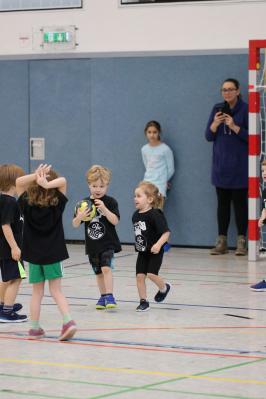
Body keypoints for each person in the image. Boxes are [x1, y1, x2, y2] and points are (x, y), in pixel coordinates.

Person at [16, 164, 77, 340]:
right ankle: (68, 321)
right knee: (56, 290)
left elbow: (19, 182)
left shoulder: (26, 202)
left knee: (37, 292)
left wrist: (36, 177)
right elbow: (64, 181)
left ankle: (34, 328)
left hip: (34, 255)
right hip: (53, 253)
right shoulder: (57, 201)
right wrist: (47, 182)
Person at [205, 78, 248, 256]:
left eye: (230, 89)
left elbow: (252, 138)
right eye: (224, 90)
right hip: (221, 168)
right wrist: (215, 124)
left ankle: (241, 242)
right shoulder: (217, 109)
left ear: (238, 91)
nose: (227, 93)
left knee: (240, 206)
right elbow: (208, 136)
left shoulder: (246, 109)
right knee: (222, 206)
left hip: (240, 168)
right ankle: (221, 242)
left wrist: (234, 126)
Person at [72, 165, 121, 310]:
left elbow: (115, 221)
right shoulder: (83, 204)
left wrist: (105, 210)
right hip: (92, 245)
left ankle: (110, 295)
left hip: (108, 243)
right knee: (98, 272)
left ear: (107, 186)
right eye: (94, 186)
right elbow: (75, 224)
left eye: (102, 186)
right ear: (89, 185)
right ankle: (103, 296)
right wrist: (79, 217)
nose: (98, 189)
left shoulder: (111, 202)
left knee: (106, 268)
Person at [132, 181, 171, 312]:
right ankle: (143, 301)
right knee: (139, 277)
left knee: (151, 274)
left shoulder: (155, 214)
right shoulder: (135, 215)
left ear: (149, 199)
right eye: (134, 196)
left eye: (138, 196)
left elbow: (166, 233)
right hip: (142, 252)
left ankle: (164, 288)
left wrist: (158, 245)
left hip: (155, 252)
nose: (135, 199)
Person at [0, 164, 28, 323]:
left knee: (6, 279)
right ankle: (7, 312)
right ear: (13, 183)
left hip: (3, 248)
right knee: (15, 278)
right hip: (10, 248)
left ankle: (2, 305)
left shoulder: (2, 200)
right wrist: (15, 247)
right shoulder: (10, 202)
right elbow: (5, 225)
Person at [141, 120, 175, 204]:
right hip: (147, 182)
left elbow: (171, 169)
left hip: (160, 184)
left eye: (154, 132)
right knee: (146, 211)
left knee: (157, 211)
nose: (152, 135)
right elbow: (147, 165)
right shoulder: (144, 149)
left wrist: (164, 180)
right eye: (149, 132)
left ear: (159, 133)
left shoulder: (165, 149)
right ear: (146, 133)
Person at [250, 160, 266, 291]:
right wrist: (262, 217)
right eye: (262, 171)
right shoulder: (265, 189)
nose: (264, 173)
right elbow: (265, 207)